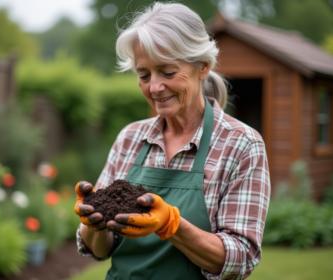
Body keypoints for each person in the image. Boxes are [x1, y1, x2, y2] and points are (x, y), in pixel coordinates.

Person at [74, 2, 270, 280]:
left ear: (202, 68)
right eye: (144, 75)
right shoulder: (130, 138)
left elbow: (241, 260)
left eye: (167, 72)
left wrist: (171, 223)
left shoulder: (241, 145)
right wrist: (93, 224)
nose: (154, 87)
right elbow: (98, 250)